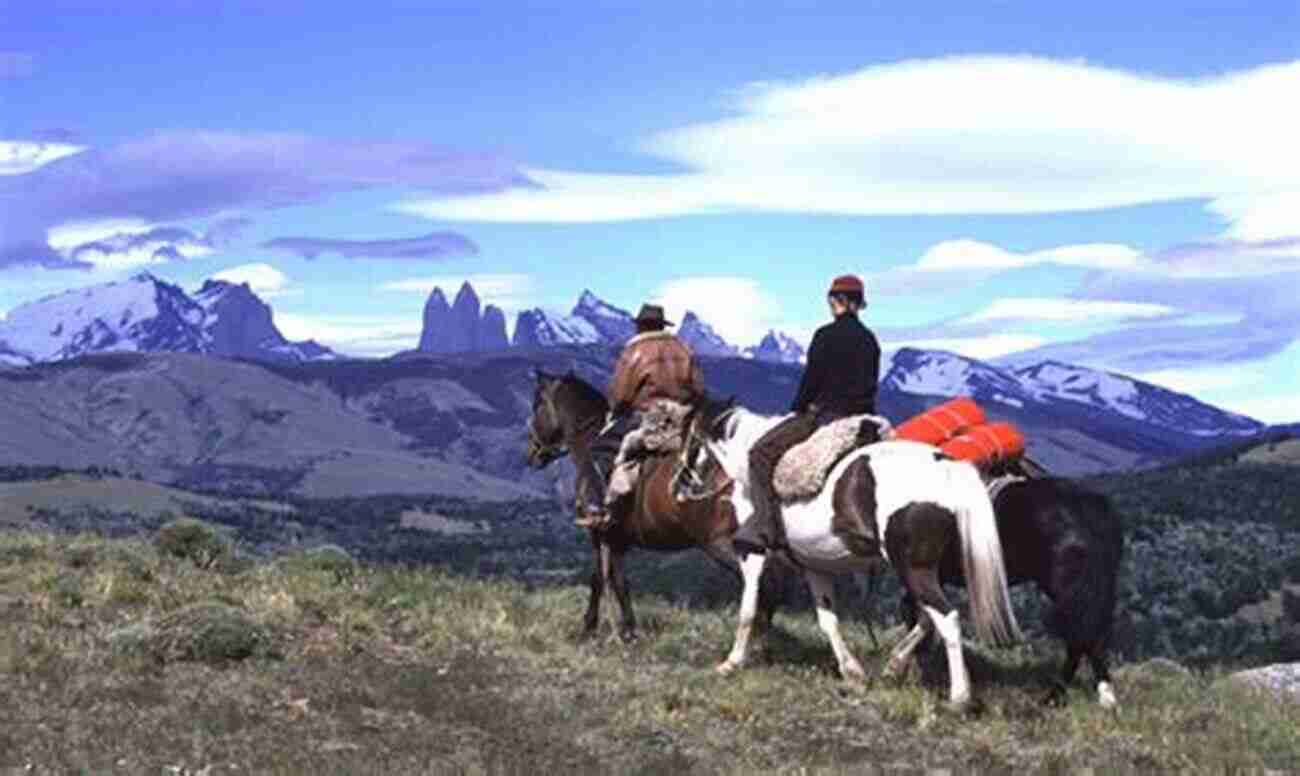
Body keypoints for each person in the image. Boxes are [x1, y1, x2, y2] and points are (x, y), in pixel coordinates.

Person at [732, 274, 882, 558]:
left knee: (760, 454)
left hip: (826, 415)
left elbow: (811, 382)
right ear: (859, 304)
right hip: (862, 418)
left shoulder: (825, 335)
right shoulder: (869, 340)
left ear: (834, 301)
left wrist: (798, 409)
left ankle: (767, 529)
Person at [575, 303, 705, 529]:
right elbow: (700, 389)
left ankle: (598, 510)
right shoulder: (684, 349)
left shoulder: (634, 351)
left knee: (597, 452)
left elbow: (620, 395)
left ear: (641, 326)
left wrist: (615, 411)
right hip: (685, 419)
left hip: (649, 419)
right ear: (662, 325)